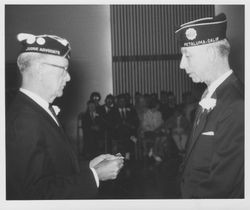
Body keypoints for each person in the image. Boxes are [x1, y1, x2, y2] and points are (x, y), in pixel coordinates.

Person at [6, 33, 124, 199]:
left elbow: (52, 169)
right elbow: (32, 196)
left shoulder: (35, 110)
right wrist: (94, 176)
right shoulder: (24, 121)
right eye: (64, 69)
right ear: (40, 70)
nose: (68, 77)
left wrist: (90, 167)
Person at [175, 13, 244, 198]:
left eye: (187, 56)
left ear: (212, 54)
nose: (182, 65)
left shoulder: (237, 105)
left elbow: (222, 185)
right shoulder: (211, 94)